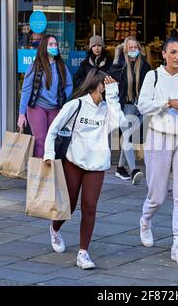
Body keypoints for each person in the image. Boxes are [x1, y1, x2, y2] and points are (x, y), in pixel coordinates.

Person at [43, 69, 125, 269]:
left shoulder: (108, 108)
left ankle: (83, 253)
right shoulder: (76, 105)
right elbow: (53, 130)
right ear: (99, 85)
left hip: (96, 165)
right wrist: (48, 155)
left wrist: (113, 96)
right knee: (69, 206)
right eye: (107, 85)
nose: (109, 89)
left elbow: (121, 124)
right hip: (74, 161)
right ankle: (55, 229)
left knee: (89, 206)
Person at [136, 38, 178, 264]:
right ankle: (146, 220)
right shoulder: (153, 76)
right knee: (157, 193)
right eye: (173, 52)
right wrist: (168, 103)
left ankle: (177, 243)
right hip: (159, 137)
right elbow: (142, 105)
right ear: (164, 53)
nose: (177, 56)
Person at [17, 35, 73, 158]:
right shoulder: (35, 65)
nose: (54, 46)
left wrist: (65, 101)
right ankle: (39, 173)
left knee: (51, 141)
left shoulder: (61, 66)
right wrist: (21, 114)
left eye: (55, 44)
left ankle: (50, 171)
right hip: (37, 107)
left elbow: (69, 85)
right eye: (50, 44)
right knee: (40, 140)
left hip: (55, 108)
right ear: (44, 47)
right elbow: (26, 90)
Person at [109, 36, 151, 185]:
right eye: (130, 48)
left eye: (135, 47)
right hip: (126, 106)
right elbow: (111, 76)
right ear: (125, 50)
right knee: (127, 137)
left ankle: (120, 167)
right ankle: (133, 170)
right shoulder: (121, 65)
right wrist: (116, 54)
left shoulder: (145, 66)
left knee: (130, 137)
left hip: (141, 107)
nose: (133, 50)